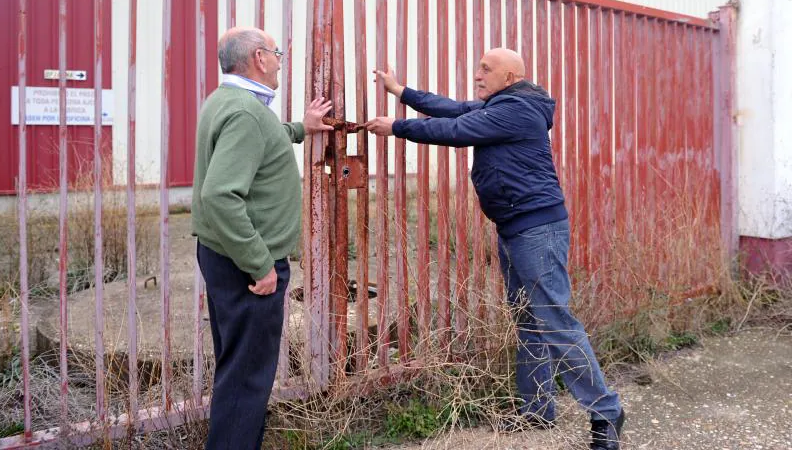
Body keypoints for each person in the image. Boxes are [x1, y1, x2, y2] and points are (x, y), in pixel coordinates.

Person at [366, 48, 625, 450]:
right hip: (516, 227)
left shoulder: (517, 111)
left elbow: (455, 131)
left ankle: (606, 411)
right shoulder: (505, 103)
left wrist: (397, 127)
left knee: (555, 320)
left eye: (486, 69)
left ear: (510, 77)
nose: (477, 75)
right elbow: (453, 109)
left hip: (536, 228)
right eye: (478, 68)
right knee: (528, 319)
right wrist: (401, 90)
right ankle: (537, 408)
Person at [192, 27, 333, 449]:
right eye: (276, 53)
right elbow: (219, 194)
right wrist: (260, 263)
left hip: (223, 256)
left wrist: (299, 128)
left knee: (237, 368)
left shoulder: (228, 103)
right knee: (248, 377)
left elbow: (259, 143)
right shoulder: (246, 113)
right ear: (258, 57)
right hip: (247, 267)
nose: (278, 60)